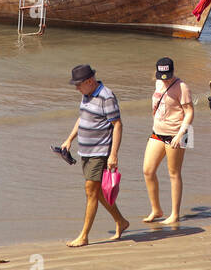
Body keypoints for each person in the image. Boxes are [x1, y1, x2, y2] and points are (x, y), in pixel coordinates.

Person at [60, 64, 128, 246]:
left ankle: (84, 236)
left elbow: (118, 125)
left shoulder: (107, 96)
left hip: (101, 152)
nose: (76, 88)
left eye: (78, 84)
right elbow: (82, 118)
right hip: (86, 151)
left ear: (90, 81)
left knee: (90, 191)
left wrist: (113, 155)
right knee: (97, 193)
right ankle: (121, 221)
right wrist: (69, 139)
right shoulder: (86, 95)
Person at [142, 57, 193, 224]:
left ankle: (174, 214)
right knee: (148, 171)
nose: (165, 79)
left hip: (178, 133)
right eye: (162, 75)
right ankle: (156, 210)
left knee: (174, 173)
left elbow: (190, 112)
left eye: (167, 75)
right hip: (158, 132)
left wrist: (180, 134)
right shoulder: (158, 82)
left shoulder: (182, 87)